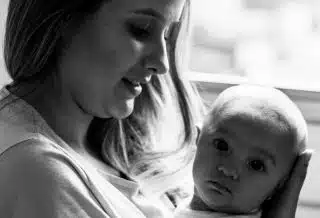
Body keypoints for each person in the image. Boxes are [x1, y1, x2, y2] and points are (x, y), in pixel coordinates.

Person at [0, 0, 312, 217]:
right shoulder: (38, 174)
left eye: (167, 35)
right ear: (63, 19)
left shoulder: (109, 146)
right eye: (141, 29)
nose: (162, 63)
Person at [174, 85, 312, 218]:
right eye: (222, 146)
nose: (228, 170)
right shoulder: (171, 201)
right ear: (197, 138)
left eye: (256, 165)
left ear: (279, 186)